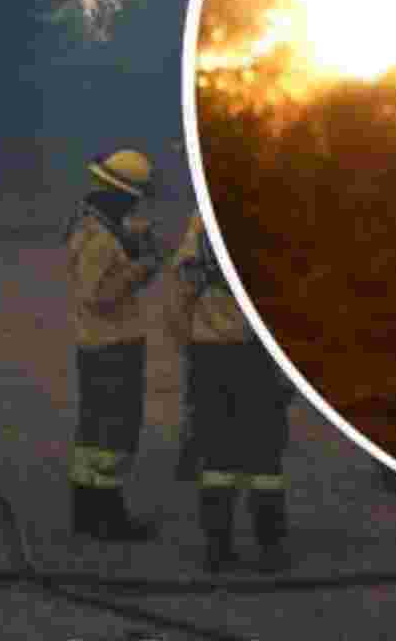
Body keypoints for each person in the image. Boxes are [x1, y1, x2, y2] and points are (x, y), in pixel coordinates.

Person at [164, 208, 299, 572]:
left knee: (217, 457)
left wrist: (192, 346)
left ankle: (218, 546)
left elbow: (176, 304)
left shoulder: (198, 240)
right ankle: (270, 547)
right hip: (259, 361)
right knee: (265, 459)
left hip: (210, 360)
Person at [64, 148, 165, 542]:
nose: (137, 204)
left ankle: (86, 512)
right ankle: (109, 517)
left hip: (96, 343)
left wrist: (132, 244)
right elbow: (97, 294)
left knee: (93, 433)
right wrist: (142, 269)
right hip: (114, 344)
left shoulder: (92, 224)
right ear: (121, 193)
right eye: (134, 196)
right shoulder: (102, 237)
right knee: (115, 434)